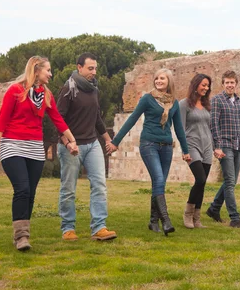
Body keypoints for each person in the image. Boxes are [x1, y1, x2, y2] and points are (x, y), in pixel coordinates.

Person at [0, 56, 77, 251]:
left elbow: (58, 120)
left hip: (35, 147)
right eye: (48, 70)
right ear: (36, 70)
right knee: (22, 189)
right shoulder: (15, 91)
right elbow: (2, 120)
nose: (51, 74)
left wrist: (72, 140)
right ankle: (21, 237)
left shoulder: (45, 94)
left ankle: (22, 233)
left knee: (30, 193)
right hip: (12, 144)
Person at [109, 68, 190, 236]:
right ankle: (166, 220)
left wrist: (185, 150)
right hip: (149, 144)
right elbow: (132, 119)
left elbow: (179, 128)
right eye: (157, 78)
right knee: (159, 179)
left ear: (169, 82)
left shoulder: (174, 102)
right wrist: (116, 141)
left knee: (159, 184)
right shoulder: (147, 99)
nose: (159, 81)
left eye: (162, 78)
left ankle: (153, 222)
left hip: (167, 146)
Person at [57, 52, 117, 242]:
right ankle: (68, 229)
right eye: (90, 68)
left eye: (95, 68)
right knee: (69, 189)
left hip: (92, 144)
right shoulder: (68, 89)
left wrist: (108, 140)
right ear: (79, 68)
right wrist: (68, 143)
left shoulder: (94, 89)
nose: (94, 72)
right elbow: (58, 121)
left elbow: (97, 118)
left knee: (99, 185)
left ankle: (99, 227)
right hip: (71, 147)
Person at [206, 70, 240, 228]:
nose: (229, 85)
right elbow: (213, 124)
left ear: (236, 84)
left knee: (231, 182)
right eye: (227, 82)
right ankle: (235, 218)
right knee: (229, 181)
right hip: (224, 146)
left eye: (232, 82)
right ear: (223, 84)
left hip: (237, 146)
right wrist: (217, 146)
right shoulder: (217, 100)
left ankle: (214, 209)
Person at [179, 73, 214, 229]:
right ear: (195, 85)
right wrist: (184, 150)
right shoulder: (184, 104)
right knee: (200, 179)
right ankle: (188, 214)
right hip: (192, 145)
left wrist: (215, 147)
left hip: (207, 146)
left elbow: (211, 128)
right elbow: (180, 128)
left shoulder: (208, 105)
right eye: (203, 85)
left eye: (208, 86)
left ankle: (197, 218)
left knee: (203, 183)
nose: (206, 88)